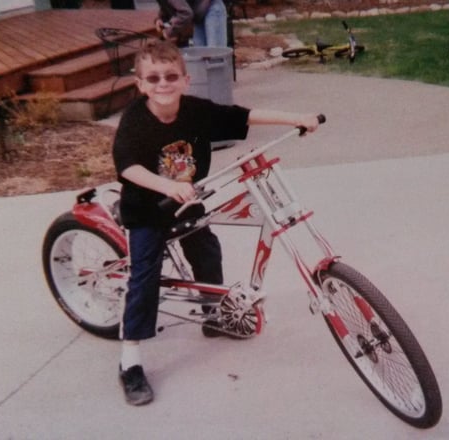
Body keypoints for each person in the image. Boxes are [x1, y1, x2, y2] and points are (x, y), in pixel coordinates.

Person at [112, 39, 320, 406]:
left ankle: (213, 315)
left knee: (207, 252)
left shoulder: (195, 111)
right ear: (141, 84)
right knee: (145, 277)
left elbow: (243, 115)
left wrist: (296, 118)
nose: (163, 83)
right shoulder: (135, 119)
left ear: (186, 80)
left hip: (187, 202)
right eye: (154, 78)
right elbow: (128, 166)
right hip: (146, 209)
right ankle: (130, 361)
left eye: (171, 76)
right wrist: (167, 185)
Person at [155, 0, 228, 47]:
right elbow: (169, 4)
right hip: (199, 15)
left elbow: (186, 13)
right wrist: (160, 18)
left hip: (212, 8)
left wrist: (168, 32)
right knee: (200, 57)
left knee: (216, 54)